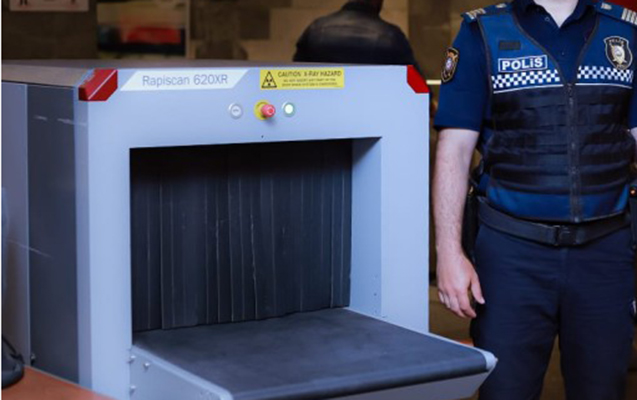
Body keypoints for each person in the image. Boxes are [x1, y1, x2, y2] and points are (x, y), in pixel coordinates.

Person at [433, 1, 637, 399]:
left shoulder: (625, 31)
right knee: (505, 390)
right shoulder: (482, 33)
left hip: (606, 255)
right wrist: (448, 252)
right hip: (511, 256)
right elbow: (454, 150)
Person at [293, 0, 421, 74]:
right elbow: (418, 88)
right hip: (373, 110)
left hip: (322, 109)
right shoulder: (391, 36)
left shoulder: (316, 29)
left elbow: (294, 76)